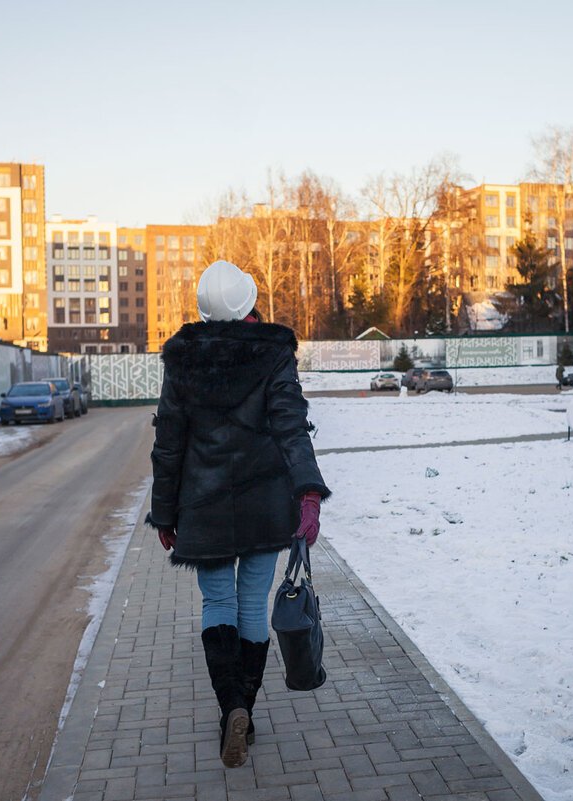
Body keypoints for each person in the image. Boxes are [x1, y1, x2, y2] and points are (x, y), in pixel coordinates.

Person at [147, 260, 330, 769]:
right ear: (249, 302)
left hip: (202, 506)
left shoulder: (183, 358)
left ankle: (229, 707)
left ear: (203, 310)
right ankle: (244, 709)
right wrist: (308, 495)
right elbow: (292, 426)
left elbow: (169, 443)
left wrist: (165, 513)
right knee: (252, 605)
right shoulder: (273, 354)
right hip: (263, 506)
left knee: (217, 604)